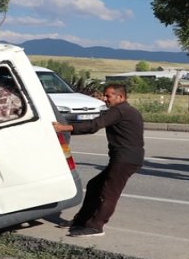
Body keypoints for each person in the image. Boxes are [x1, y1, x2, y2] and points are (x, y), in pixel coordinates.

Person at [51, 83, 145, 237]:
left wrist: (64, 128)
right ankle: (81, 220)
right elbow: (94, 123)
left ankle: (96, 227)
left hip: (125, 159)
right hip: (125, 158)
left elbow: (94, 125)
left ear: (120, 97)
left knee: (108, 193)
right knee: (94, 186)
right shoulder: (125, 110)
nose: (104, 99)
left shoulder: (120, 110)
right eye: (104, 95)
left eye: (108, 96)